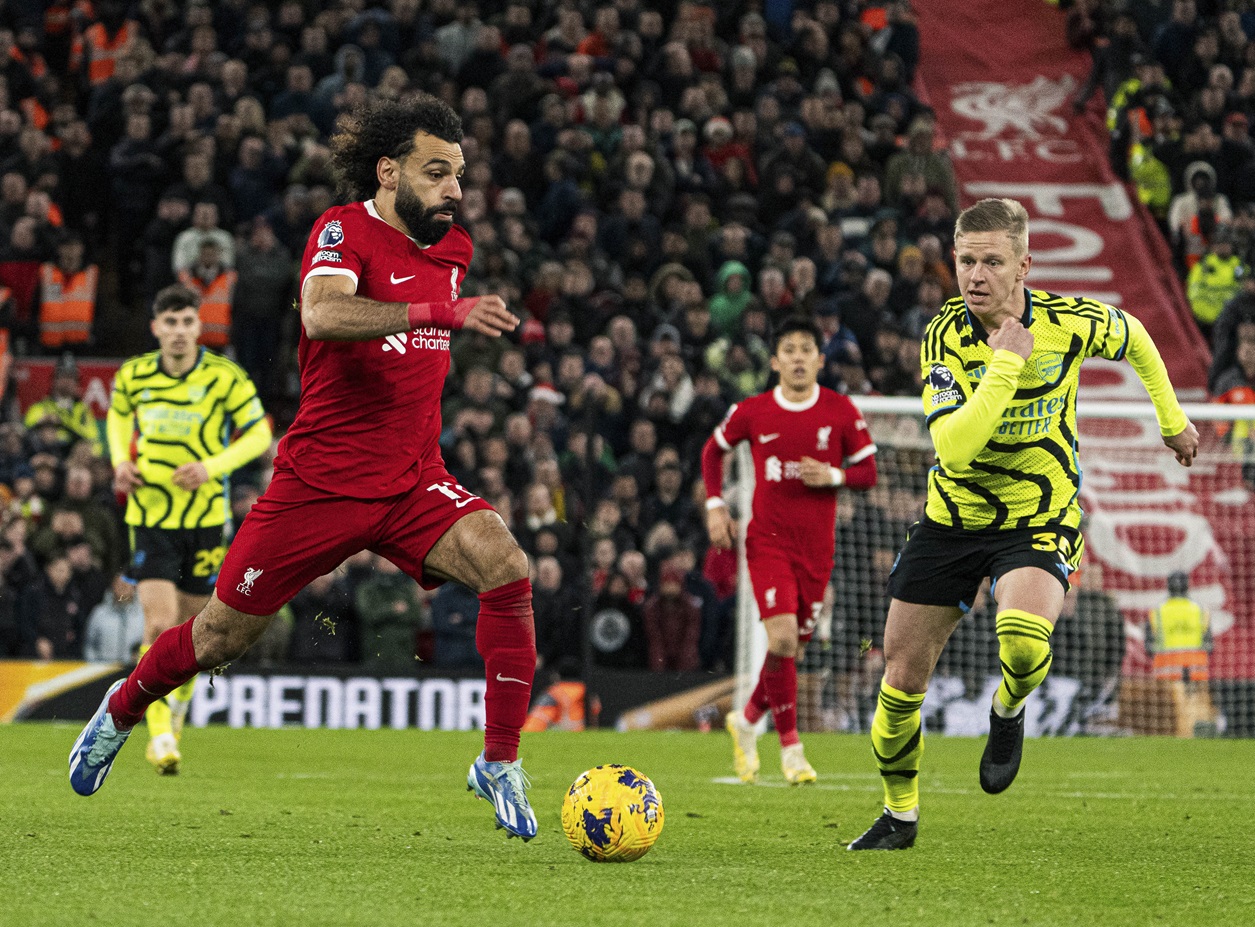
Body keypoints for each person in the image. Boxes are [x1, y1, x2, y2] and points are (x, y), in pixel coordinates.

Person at [69, 96, 540, 842]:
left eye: (459, 174)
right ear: (389, 172)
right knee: (219, 635)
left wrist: (441, 308)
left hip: (414, 479)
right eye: (437, 171)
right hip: (318, 484)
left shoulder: (454, 251)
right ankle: (120, 709)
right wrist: (433, 313)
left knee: (507, 563)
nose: (455, 189)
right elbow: (322, 315)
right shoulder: (339, 229)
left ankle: (498, 761)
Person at [848, 198, 1199, 850]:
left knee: (1019, 635)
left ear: (1022, 265)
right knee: (898, 681)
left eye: (990, 261)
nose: (975, 274)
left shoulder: (1068, 321)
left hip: (1038, 514)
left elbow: (1137, 338)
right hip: (951, 519)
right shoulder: (943, 335)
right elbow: (954, 447)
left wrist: (1170, 418)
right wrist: (1006, 361)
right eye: (964, 260)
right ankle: (899, 815)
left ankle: (1007, 709)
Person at [701, 315, 878, 784]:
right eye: (789, 349)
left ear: (820, 360)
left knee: (790, 650)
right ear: (776, 361)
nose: (798, 357)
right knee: (781, 641)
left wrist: (835, 476)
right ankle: (791, 749)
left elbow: (869, 471)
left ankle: (745, 717)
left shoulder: (840, 411)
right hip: (767, 544)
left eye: (806, 349)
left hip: (817, 551)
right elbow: (712, 451)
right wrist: (715, 505)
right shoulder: (753, 411)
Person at [107, 283, 273, 775]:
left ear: (199, 327)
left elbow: (260, 435)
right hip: (152, 517)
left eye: (187, 323)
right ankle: (158, 735)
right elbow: (118, 420)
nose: (179, 332)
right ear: (156, 327)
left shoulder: (224, 377)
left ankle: (171, 714)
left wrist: (213, 467)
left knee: (196, 639)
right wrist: (120, 462)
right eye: (170, 323)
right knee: (158, 627)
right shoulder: (133, 375)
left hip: (204, 522)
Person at [1146, 570, 1216, 737]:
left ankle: (1174, 736)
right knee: (1197, 710)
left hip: (1166, 671)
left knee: (1171, 713)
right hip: (1196, 670)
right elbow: (1209, 644)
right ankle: (1199, 736)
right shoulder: (1199, 610)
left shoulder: (1157, 611)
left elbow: (1148, 646)